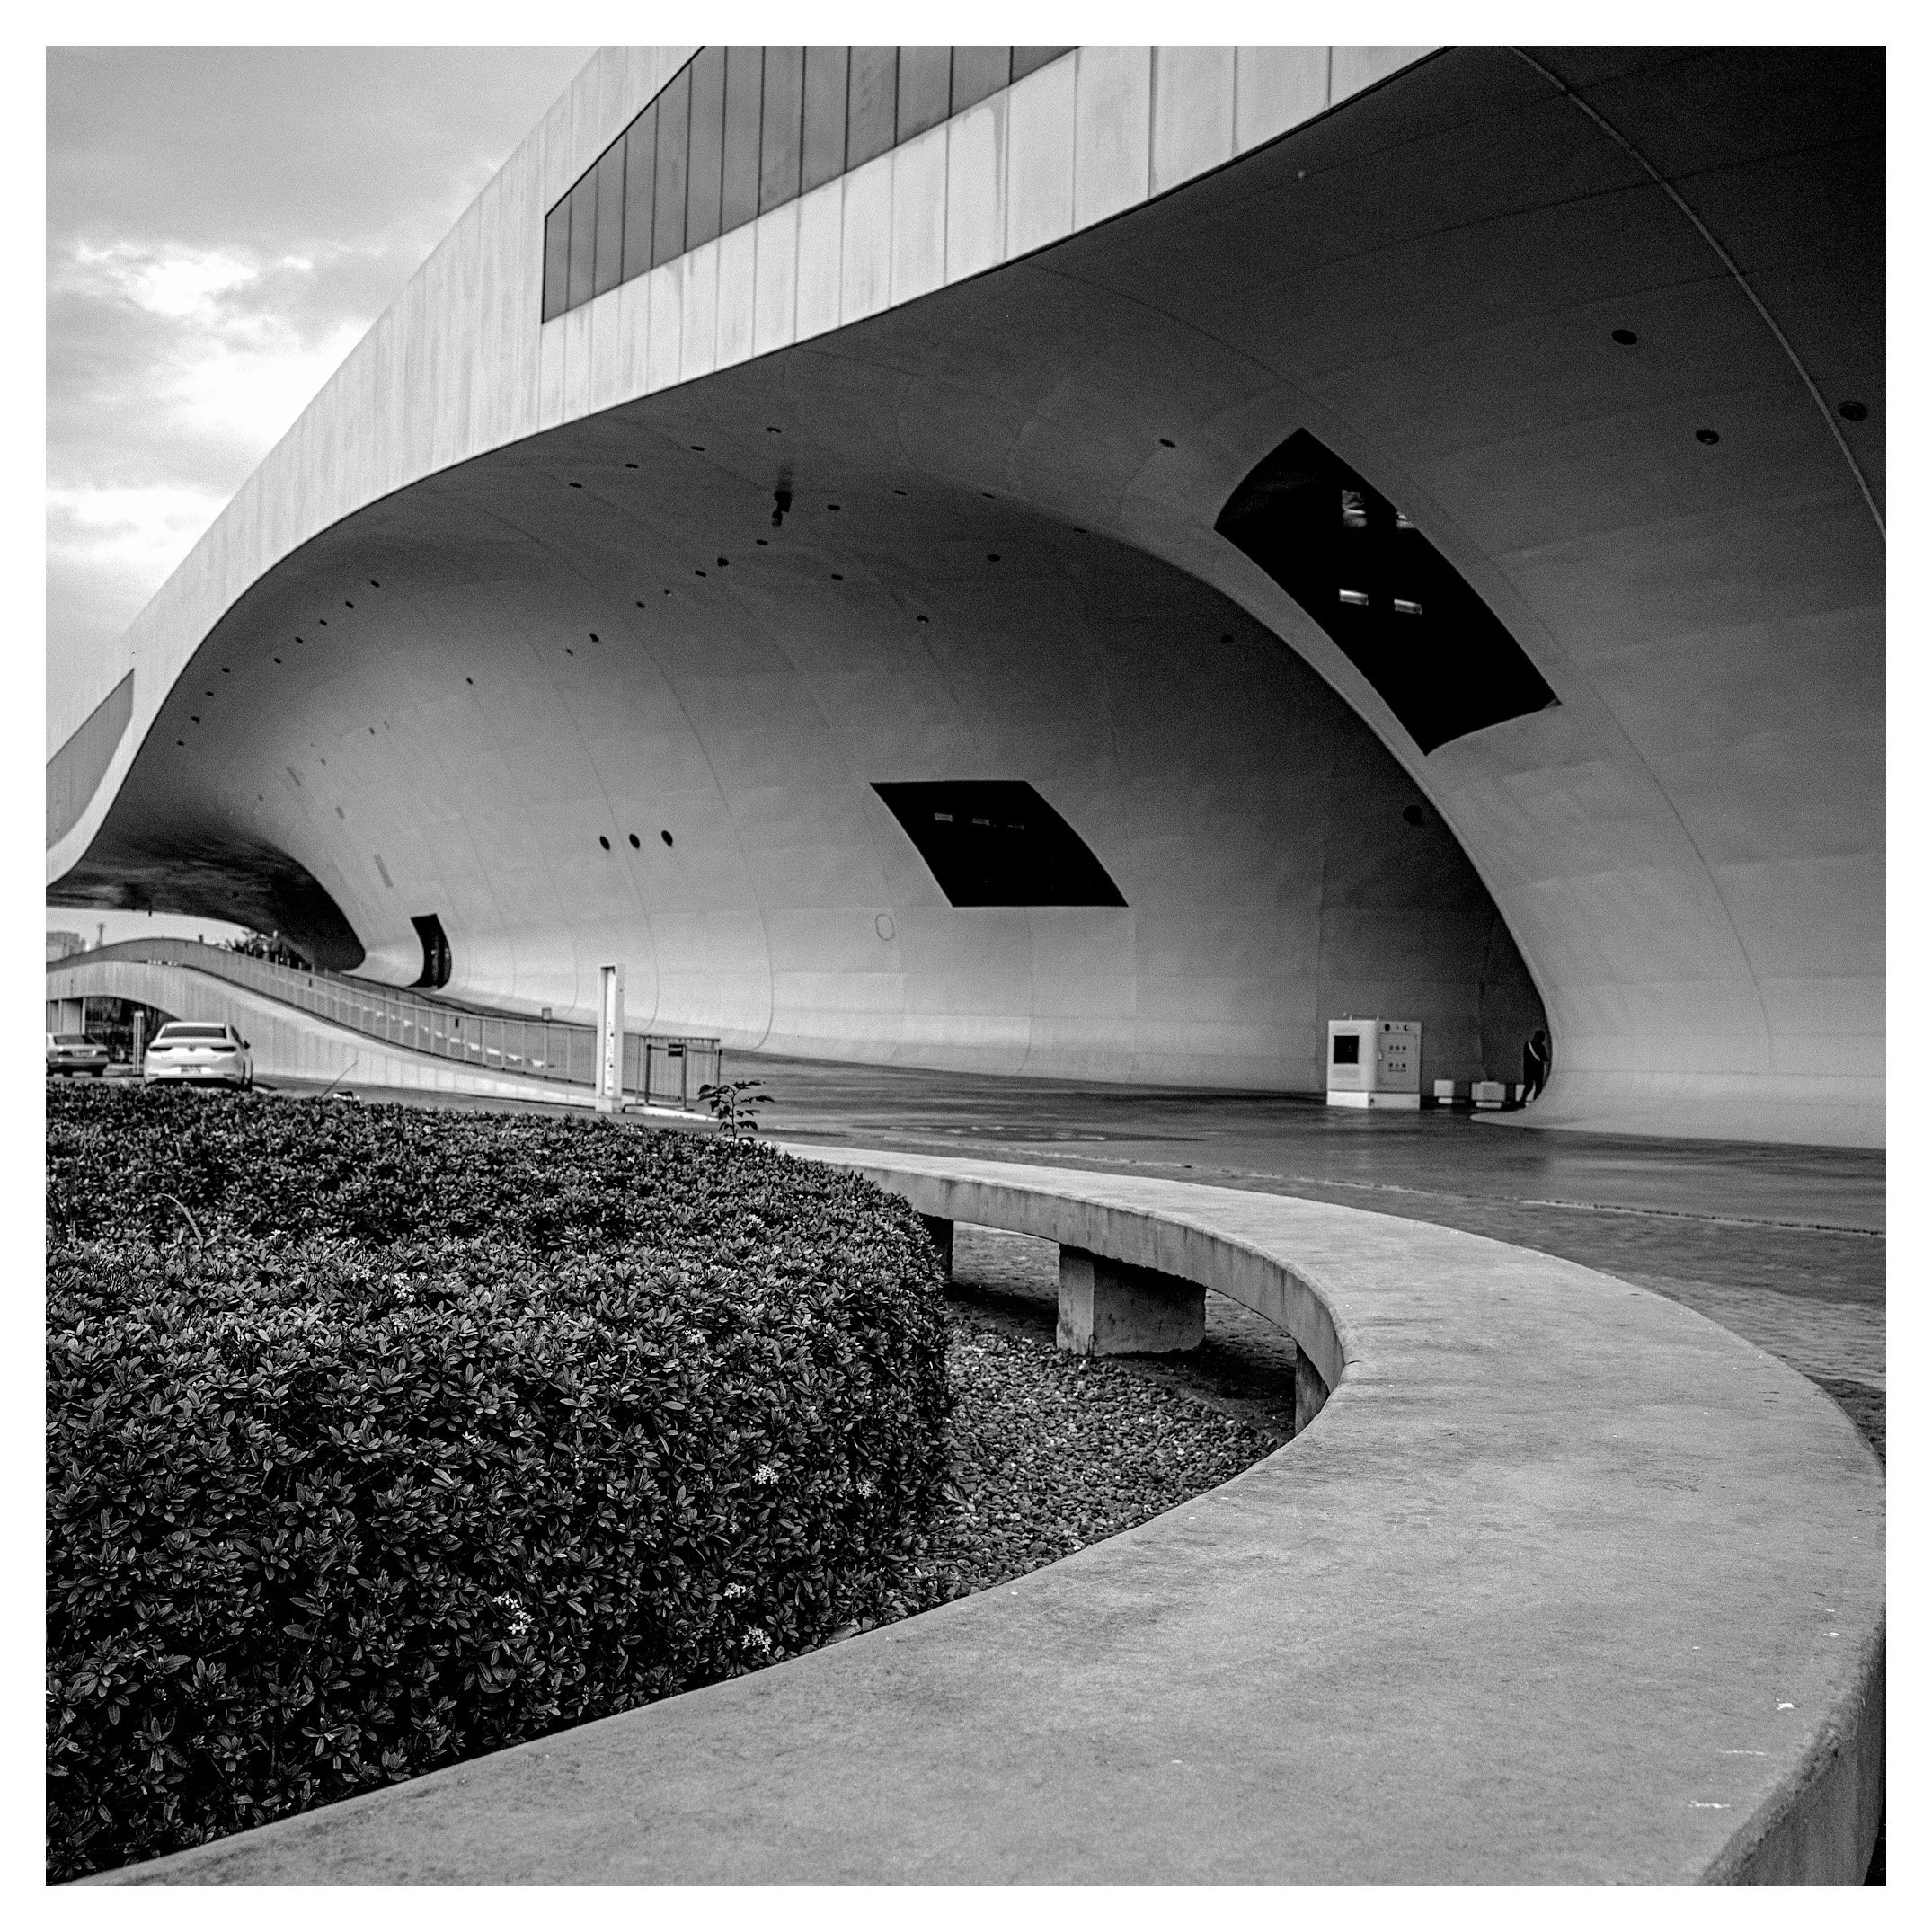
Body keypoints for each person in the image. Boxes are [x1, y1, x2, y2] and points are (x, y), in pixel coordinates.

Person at [1522, 1028, 1552, 1103]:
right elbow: (1544, 1058)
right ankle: (1535, 1101)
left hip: (1528, 1070)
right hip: (1538, 1070)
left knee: (1529, 1086)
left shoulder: (1527, 1045)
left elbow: (1526, 1057)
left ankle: (1522, 1100)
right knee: (1538, 1088)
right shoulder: (1541, 1047)